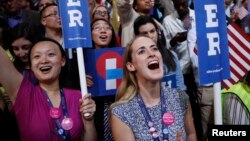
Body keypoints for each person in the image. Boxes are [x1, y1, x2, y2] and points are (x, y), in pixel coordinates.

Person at [0, 38, 97, 141]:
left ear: (62, 61)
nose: (44, 60)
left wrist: (89, 121)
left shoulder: (79, 96)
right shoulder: (23, 94)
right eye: (37, 56)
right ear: (31, 66)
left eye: (51, 54)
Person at [110, 36, 197, 141]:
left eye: (154, 48)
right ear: (131, 66)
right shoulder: (121, 113)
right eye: (142, 51)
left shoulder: (180, 97)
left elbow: (191, 134)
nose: (152, 54)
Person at [134, 15, 186, 90]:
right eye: (145, 33)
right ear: (137, 36)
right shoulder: (135, 61)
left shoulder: (172, 55)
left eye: (152, 31)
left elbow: (180, 86)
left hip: (174, 100)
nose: (150, 36)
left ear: (157, 32)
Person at [90, 18, 118, 141]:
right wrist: (80, 82)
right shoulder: (82, 60)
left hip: (117, 107)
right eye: (97, 28)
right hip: (95, 110)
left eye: (107, 27)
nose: (103, 31)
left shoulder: (122, 56)